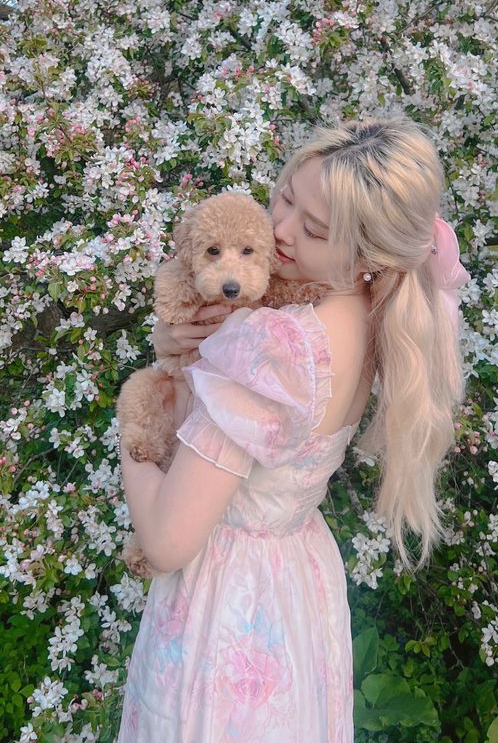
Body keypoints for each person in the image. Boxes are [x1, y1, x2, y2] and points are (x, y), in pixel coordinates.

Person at [116, 114, 470, 742]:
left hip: (228, 602)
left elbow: (168, 540)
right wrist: (180, 340)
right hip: (295, 577)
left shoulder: (276, 345)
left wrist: (136, 424)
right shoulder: (367, 314)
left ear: (368, 255)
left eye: (311, 228)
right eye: (284, 196)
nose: (278, 228)